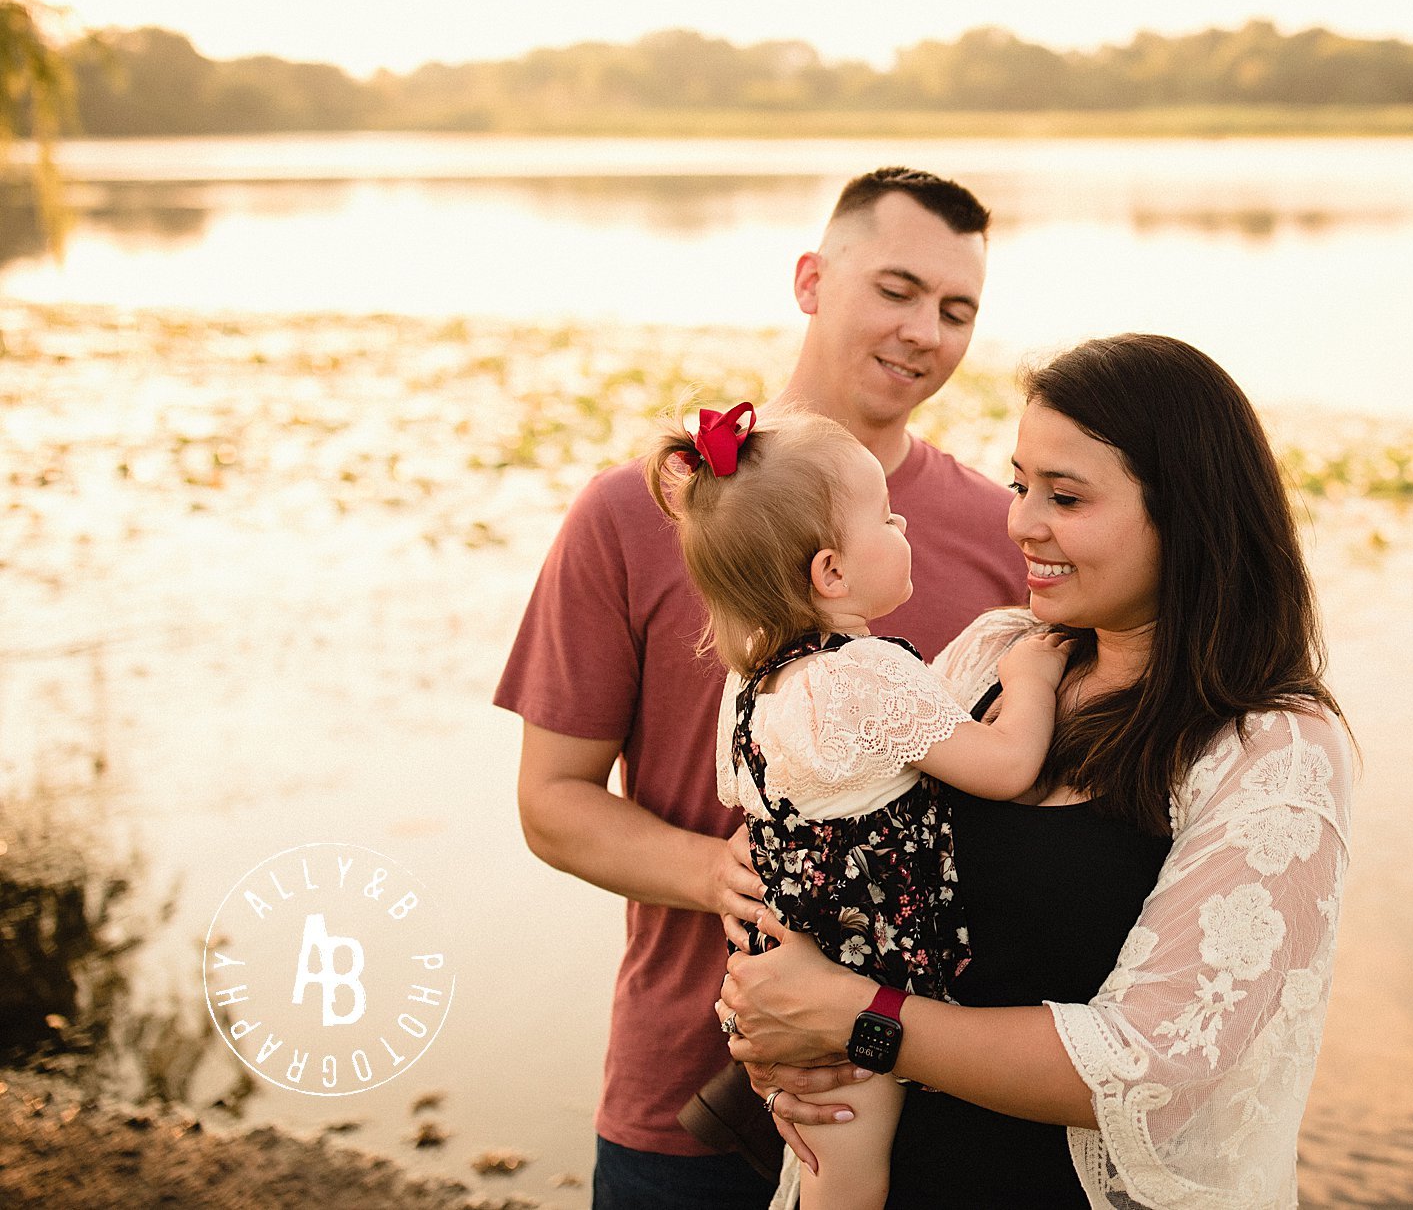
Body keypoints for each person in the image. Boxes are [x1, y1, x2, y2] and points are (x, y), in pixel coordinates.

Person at [719, 333, 1356, 1210]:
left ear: (1190, 515)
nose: (1020, 521)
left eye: (1065, 496)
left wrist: (859, 1019)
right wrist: (768, 978)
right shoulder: (997, 651)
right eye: (1020, 484)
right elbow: (835, 816)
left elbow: (1149, 1066)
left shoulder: (1269, 751)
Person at [497, 168, 1025, 1209]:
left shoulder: (996, 530)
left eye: (956, 309)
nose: (925, 331)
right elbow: (550, 803)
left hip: (930, 1092)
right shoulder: (636, 512)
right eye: (897, 289)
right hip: (684, 1103)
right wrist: (720, 873)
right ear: (810, 281)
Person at [641, 402, 1073, 1209]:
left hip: (791, 956)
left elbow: (764, 810)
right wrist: (1032, 679)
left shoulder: (753, 684)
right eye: (886, 515)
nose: (904, 522)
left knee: (826, 1168)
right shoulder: (864, 673)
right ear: (832, 572)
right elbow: (1007, 765)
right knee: (851, 1181)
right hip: (866, 965)